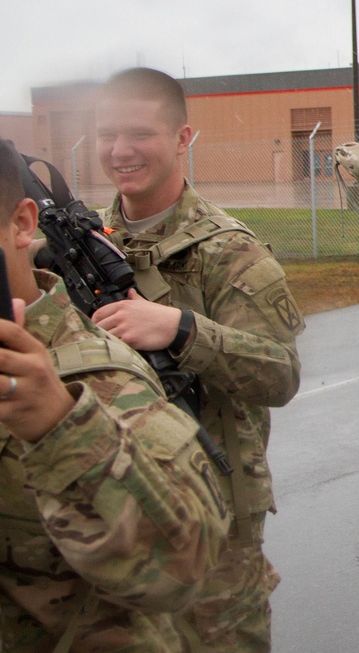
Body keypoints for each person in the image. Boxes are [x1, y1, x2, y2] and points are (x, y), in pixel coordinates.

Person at [88, 68, 304, 651]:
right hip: (106, 501)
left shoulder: (228, 250)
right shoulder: (86, 245)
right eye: (107, 134)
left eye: (140, 134)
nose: (120, 151)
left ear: (183, 139)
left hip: (211, 510)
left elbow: (280, 373)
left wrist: (180, 329)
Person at [0, 140, 229, 650]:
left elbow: (185, 564)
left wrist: (58, 426)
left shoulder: (97, 380)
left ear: (21, 224)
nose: (120, 149)